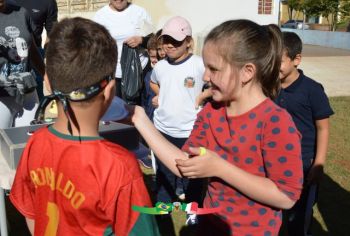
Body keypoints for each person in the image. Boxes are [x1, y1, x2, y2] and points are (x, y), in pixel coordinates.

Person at [130, 19, 304, 235]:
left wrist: (221, 168)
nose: (205, 77)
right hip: (210, 227)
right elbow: (184, 165)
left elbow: (286, 196)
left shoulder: (275, 122)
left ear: (247, 72)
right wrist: (141, 120)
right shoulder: (211, 112)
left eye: (213, 69)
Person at [9, 17, 159, 235]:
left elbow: (31, 214)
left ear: (48, 81)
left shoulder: (34, 144)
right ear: (109, 91)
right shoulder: (120, 168)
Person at [276, 32, 334, 236]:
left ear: (296, 60)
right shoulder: (270, 88)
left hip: (304, 164)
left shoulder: (312, 90)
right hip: (275, 163)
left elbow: (323, 128)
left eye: (279, 61)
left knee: (298, 217)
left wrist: (318, 164)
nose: (274, 66)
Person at [149, 16, 206, 207]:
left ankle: (193, 207)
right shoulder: (161, 66)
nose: (170, 45)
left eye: (176, 41)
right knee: (164, 171)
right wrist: (161, 95)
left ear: (188, 42)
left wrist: (203, 97)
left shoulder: (199, 64)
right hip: (163, 129)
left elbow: (214, 84)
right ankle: (163, 204)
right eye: (166, 40)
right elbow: (153, 82)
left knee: (192, 172)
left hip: (191, 130)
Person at [93, 0, 153, 104]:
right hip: (113, 72)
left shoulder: (140, 12)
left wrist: (141, 40)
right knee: (117, 111)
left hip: (140, 70)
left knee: (138, 109)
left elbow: (152, 40)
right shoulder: (100, 16)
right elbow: (94, 46)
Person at [0, 0, 45, 128]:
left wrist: (45, 73)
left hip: (27, 91)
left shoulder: (21, 12)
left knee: (31, 136)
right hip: (2, 95)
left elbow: (31, 47)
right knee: (3, 143)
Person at [14, 0, 58, 101]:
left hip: (35, 56)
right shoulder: (5, 2)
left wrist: (47, 61)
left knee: (37, 99)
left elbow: (52, 34)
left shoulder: (48, 2)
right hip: (6, 56)